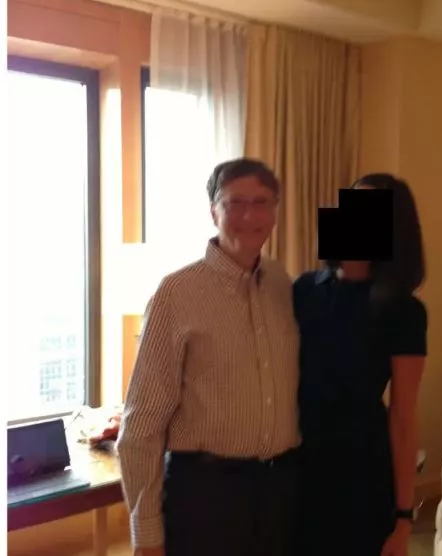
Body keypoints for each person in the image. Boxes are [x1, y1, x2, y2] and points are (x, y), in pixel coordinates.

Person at [116, 158, 301, 556]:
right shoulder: (176, 293)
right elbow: (142, 423)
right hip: (206, 498)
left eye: (261, 202)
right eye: (235, 203)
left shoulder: (282, 285)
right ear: (213, 211)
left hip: (278, 492)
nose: (249, 215)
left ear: (275, 211)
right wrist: (146, 535)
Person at [294, 173, 428, 556]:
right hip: (297, 466)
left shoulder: (403, 310)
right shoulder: (303, 290)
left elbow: (403, 417)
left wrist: (404, 517)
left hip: (361, 470)